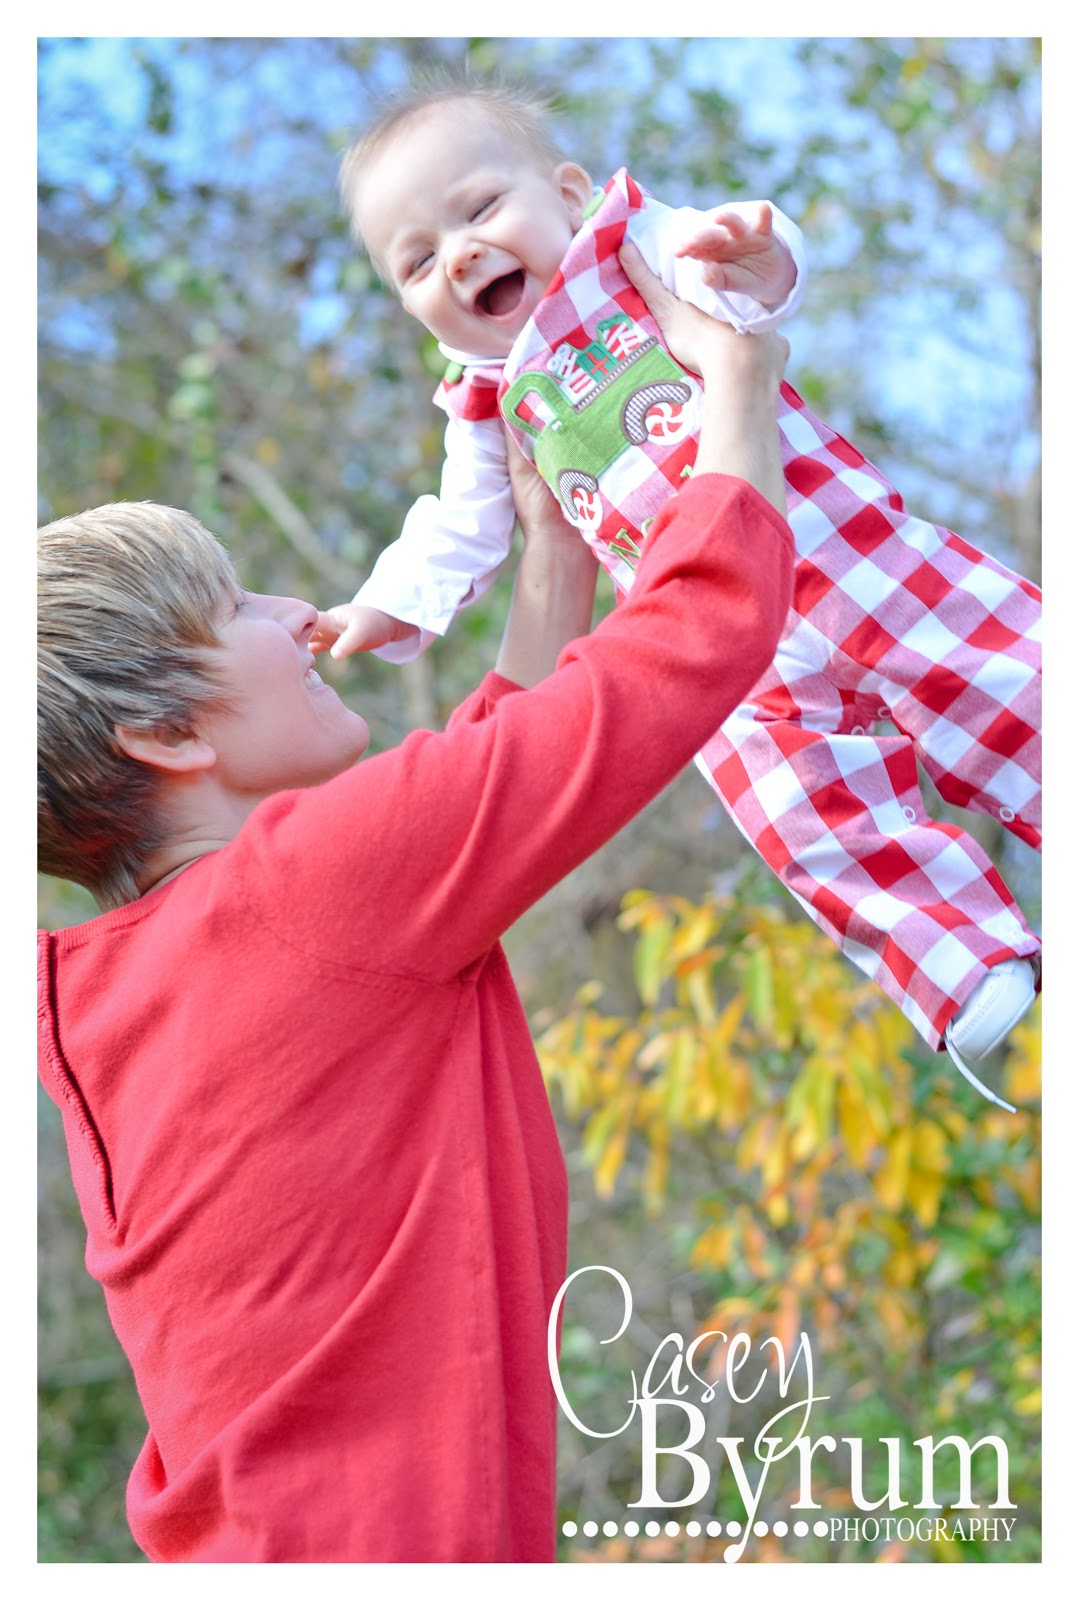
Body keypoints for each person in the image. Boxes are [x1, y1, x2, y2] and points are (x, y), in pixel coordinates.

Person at [37, 260, 795, 1563]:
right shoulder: (319, 884)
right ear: (164, 734)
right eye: (237, 610)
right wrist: (740, 375)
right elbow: (696, 636)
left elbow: (488, 779)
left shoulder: (97, 997)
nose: (296, 613)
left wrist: (549, 543)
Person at [315, 78, 1041, 1101]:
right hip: (724, 648)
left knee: (1001, 676)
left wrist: (759, 255)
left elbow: (744, 284)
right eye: (419, 261)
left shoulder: (628, 249)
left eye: (478, 210)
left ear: (568, 193)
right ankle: (962, 965)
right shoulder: (485, 404)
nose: (461, 254)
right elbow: (461, 525)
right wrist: (384, 607)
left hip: (841, 550)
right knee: (804, 818)